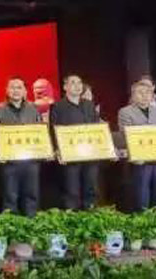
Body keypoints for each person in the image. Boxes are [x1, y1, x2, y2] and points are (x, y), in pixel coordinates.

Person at [49, 74, 101, 210]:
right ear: (65, 87)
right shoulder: (58, 106)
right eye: (73, 83)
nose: (77, 86)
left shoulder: (89, 105)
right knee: (72, 189)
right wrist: (57, 150)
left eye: (79, 83)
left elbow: (97, 128)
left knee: (91, 187)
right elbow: (53, 130)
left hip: (90, 154)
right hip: (70, 154)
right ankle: (72, 216)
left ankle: (91, 214)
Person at [0, 78, 42, 217]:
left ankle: (31, 223)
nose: (16, 91)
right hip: (9, 162)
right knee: (10, 196)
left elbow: (40, 132)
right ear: (7, 90)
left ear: (25, 91)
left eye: (19, 87)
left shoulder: (33, 108)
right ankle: (11, 224)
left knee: (31, 194)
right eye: (12, 87)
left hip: (31, 160)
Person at [118, 81, 156, 210]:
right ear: (133, 95)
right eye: (140, 93)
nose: (144, 95)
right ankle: (142, 217)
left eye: (148, 92)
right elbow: (126, 134)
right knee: (141, 194)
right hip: (140, 158)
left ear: (152, 95)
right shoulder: (125, 112)